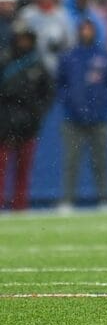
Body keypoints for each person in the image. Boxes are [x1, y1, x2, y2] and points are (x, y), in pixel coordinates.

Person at [55, 18, 107, 210]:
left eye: (89, 29)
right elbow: (60, 84)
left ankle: (104, 199)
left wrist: (103, 106)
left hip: (99, 118)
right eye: (83, 29)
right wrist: (70, 104)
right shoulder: (69, 57)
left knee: (101, 161)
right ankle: (67, 200)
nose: (86, 32)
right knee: (71, 161)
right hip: (73, 119)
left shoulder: (104, 56)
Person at [0, 21, 54, 210]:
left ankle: (20, 206)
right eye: (20, 38)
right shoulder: (4, 61)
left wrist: (36, 112)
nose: (23, 42)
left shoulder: (37, 64)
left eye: (27, 39)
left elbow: (48, 93)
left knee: (24, 169)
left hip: (28, 123)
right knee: (1, 168)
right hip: (4, 122)